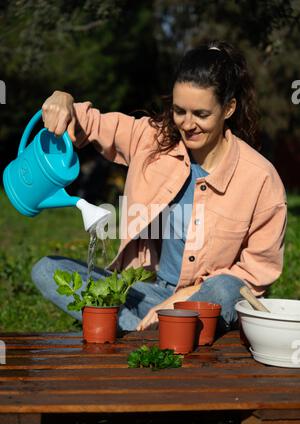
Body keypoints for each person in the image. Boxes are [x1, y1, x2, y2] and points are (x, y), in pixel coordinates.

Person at [31, 39, 287, 334]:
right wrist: (63, 100)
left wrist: (182, 300)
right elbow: (91, 124)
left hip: (204, 304)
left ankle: (136, 330)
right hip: (149, 295)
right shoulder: (151, 140)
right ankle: (150, 333)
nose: (188, 124)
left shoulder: (260, 178)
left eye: (201, 114)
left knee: (227, 289)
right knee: (47, 270)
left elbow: (256, 273)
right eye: (180, 111)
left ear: (228, 108)